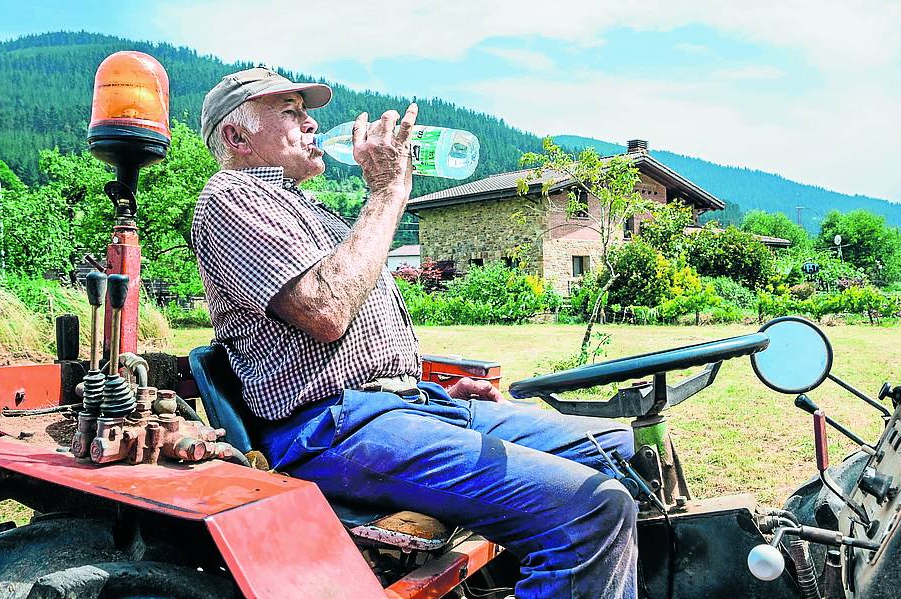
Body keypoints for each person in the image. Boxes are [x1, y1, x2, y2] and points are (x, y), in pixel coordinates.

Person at [192, 67, 639, 599]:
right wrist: (387, 193)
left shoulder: (309, 209)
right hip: (335, 429)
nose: (312, 123)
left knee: (621, 448)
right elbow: (326, 312)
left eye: (306, 109)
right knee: (588, 509)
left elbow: (356, 338)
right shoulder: (231, 197)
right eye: (290, 111)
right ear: (237, 137)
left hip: (410, 408)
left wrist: (430, 391)